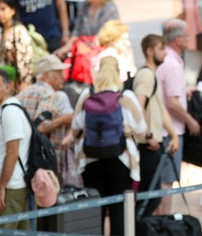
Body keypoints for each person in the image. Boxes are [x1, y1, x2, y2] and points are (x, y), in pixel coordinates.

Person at [62, 56, 146, 235]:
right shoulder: (126, 96)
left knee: (95, 209)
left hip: (91, 159)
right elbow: (141, 128)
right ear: (117, 72)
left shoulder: (88, 94)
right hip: (121, 159)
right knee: (119, 210)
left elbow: (76, 126)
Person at [155, 18, 200, 215]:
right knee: (167, 179)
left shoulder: (165, 60)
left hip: (162, 129)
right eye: (188, 36)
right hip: (170, 130)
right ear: (179, 40)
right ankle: (164, 221)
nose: (191, 39)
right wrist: (190, 120)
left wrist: (184, 90)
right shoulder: (172, 65)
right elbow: (172, 103)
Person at [16, 55, 80, 187]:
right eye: (58, 73)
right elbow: (42, 127)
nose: (63, 77)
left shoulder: (23, 94)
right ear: (46, 75)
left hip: (21, 157)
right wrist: (65, 119)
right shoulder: (49, 94)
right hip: (41, 163)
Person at [133, 34, 179, 217]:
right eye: (161, 49)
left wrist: (173, 135)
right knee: (149, 198)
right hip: (147, 145)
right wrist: (148, 136)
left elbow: (160, 109)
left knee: (151, 197)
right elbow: (138, 105)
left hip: (153, 143)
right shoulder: (145, 75)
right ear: (149, 51)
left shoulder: (152, 75)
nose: (165, 54)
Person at [53, 0, 119, 59]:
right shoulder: (84, 7)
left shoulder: (110, 8)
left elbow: (112, 34)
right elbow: (76, 32)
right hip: (85, 50)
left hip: (103, 50)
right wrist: (66, 48)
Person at [0, 69, 32, 231]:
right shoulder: (10, 108)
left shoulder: (9, 111)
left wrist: (2, 186)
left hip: (12, 186)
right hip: (15, 185)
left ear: (8, 86)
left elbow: (12, 153)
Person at [0, 0, 34, 91]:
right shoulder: (1, 31)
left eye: (3, 9)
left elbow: (25, 60)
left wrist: (24, 83)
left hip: (16, 82)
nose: (0, 13)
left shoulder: (19, 31)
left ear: (12, 10)